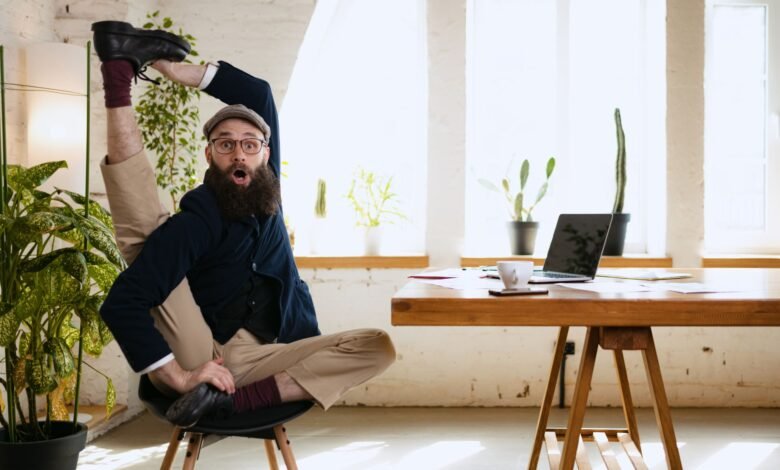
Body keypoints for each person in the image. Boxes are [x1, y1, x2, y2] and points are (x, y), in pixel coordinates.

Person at [91, 21, 396, 427]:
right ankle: (117, 76)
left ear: (266, 154)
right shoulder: (200, 218)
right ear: (209, 155)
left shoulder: (270, 191)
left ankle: (230, 403)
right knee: (148, 240)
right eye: (225, 144)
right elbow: (122, 302)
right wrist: (179, 377)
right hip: (203, 352)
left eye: (249, 144)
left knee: (378, 347)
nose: (239, 153)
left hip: (271, 356)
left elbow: (259, 96)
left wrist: (169, 67)